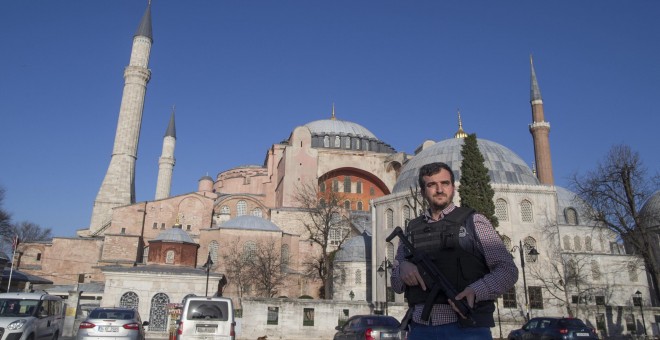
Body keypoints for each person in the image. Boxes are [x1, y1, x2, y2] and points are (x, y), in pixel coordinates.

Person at [390, 162, 518, 340]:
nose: (439, 189)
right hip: (420, 328)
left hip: (466, 329)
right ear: (423, 191)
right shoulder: (411, 230)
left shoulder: (473, 222)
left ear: (453, 187)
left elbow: (507, 270)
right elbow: (396, 285)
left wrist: (476, 290)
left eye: (445, 183)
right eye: (432, 185)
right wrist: (402, 267)